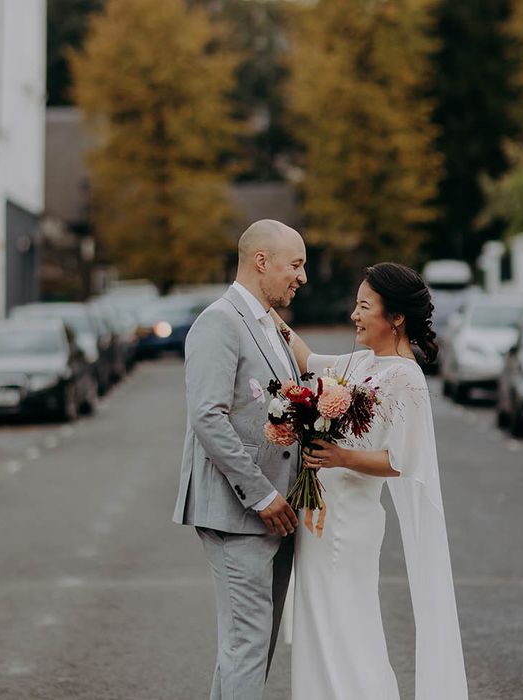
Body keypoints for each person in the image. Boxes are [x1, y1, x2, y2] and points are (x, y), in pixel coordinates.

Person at [273, 262, 469, 699]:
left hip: (349, 524)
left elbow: (404, 462)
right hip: (322, 517)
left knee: (348, 627)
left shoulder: (406, 377)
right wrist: (260, 306)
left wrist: (342, 456)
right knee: (322, 626)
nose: (354, 315)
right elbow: (306, 360)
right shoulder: (362, 361)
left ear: (395, 317)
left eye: (364, 306)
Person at [172, 219, 307, 700]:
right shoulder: (219, 321)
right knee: (247, 644)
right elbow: (207, 418)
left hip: (276, 514)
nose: (303, 277)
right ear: (260, 262)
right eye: (296, 265)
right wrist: (264, 494)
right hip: (240, 512)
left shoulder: (270, 325)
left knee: (250, 647)